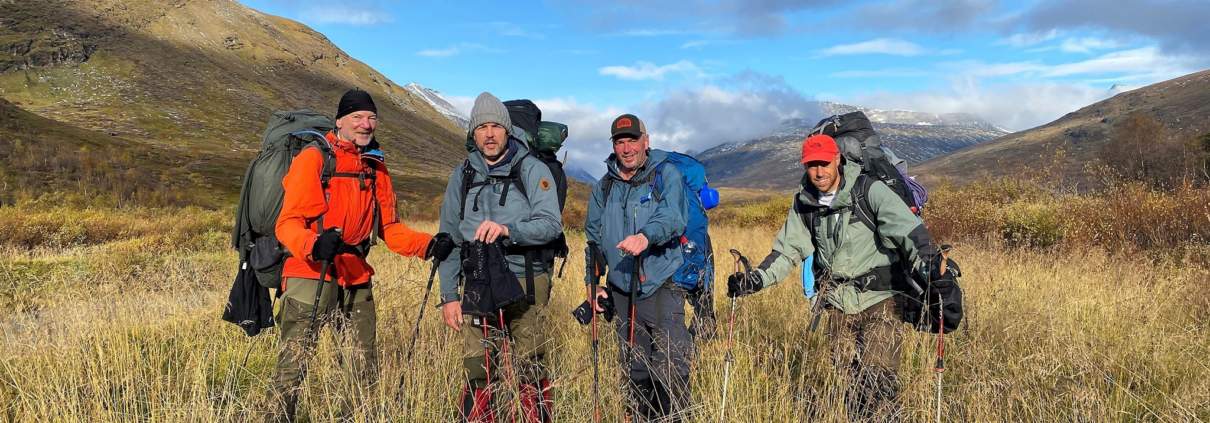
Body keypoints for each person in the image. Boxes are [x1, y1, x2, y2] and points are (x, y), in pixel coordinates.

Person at [726, 134, 949, 421]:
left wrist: (933, 268)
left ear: (837, 160)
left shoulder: (869, 191)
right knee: (848, 384)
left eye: (824, 164)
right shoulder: (804, 203)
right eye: (811, 165)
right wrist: (755, 280)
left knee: (879, 383)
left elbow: (908, 233)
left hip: (879, 301)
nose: (818, 172)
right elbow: (786, 251)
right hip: (835, 305)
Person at [270, 88, 453, 421]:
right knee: (292, 369)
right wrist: (313, 244)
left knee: (361, 366)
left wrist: (428, 246)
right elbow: (287, 224)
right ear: (339, 121)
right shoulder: (313, 159)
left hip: (355, 274)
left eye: (371, 118)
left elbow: (392, 229)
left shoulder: (375, 168)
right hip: (310, 272)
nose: (366, 124)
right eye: (357, 117)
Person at [436, 92, 563, 422]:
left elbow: (551, 225)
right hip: (477, 281)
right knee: (478, 368)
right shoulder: (461, 175)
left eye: (495, 126)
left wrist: (509, 230)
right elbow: (448, 238)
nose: (489, 134)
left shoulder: (532, 170)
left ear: (507, 130)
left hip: (526, 280)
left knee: (530, 366)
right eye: (482, 128)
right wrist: (449, 296)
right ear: (472, 134)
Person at [585, 113, 693, 421]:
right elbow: (592, 241)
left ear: (646, 141)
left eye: (632, 140)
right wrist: (593, 285)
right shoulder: (603, 187)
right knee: (634, 369)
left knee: (671, 368)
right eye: (620, 142)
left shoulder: (665, 175)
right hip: (621, 292)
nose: (627, 148)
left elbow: (673, 217)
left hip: (660, 286)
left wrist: (646, 236)